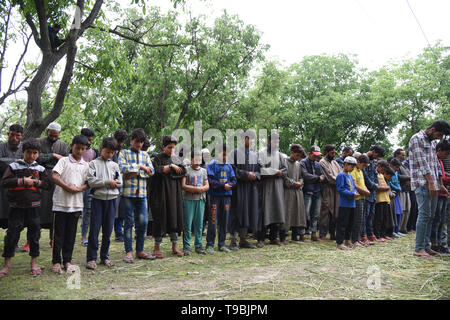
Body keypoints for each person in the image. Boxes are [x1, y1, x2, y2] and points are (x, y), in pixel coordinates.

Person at [0, 138, 50, 278]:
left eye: (35, 153)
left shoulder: (40, 169)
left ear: (38, 154)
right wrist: (22, 181)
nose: (31, 155)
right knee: (12, 235)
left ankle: (34, 263)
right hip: (16, 207)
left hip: (34, 207)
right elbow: (4, 182)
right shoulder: (14, 166)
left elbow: (47, 185)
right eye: (29, 152)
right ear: (23, 152)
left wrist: (35, 182)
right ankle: (6, 265)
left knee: (34, 236)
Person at [409, 120, 450, 258]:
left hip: (433, 185)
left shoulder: (432, 143)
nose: (438, 138)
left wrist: (440, 184)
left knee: (431, 216)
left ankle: (426, 246)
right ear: (432, 129)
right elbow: (422, 163)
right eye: (438, 134)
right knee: (424, 215)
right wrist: (432, 183)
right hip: (422, 184)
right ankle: (418, 248)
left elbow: (436, 164)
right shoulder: (417, 139)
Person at [51, 135, 89, 273]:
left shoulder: (86, 165)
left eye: (82, 149)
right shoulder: (64, 161)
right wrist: (67, 186)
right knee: (59, 233)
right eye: (77, 148)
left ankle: (67, 260)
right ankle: (56, 261)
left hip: (76, 204)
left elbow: (88, 183)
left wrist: (79, 189)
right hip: (61, 203)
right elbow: (55, 176)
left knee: (71, 234)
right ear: (71, 145)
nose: (79, 151)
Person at [118, 129, 155, 263]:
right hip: (128, 194)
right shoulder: (124, 153)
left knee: (143, 222)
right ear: (131, 140)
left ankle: (140, 250)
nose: (139, 144)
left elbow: (151, 171)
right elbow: (122, 169)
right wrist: (140, 167)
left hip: (142, 194)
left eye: (141, 142)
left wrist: (135, 172)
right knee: (128, 223)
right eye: (137, 141)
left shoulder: (146, 155)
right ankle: (128, 251)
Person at [85, 137, 123, 269]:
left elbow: (120, 182)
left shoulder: (115, 165)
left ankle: (105, 256)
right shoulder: (94, 164)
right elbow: (91, 181)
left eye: (112, 153)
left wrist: (113, 184)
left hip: (112, 200)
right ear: (101, 149)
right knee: (94, 229)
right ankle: (91, 258)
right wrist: (107, 182)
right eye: (107, 152)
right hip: (97, 200)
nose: (109, 155)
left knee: (108, 230)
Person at [149, 135, 186, 258]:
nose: (171, 150)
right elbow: (155, 171)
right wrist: (170, 167)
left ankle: (175, 247)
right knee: (160, 219)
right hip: (161, 195)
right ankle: (156, 248)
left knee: (175, 218)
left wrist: (170, 171)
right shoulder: (157, 158)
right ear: (163, 147)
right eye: (169, 147)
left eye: (173, 148)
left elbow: (183, 172)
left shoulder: (176, 159)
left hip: (174, 194)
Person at [36, 122, 69, 247]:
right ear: (47, 131)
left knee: (54, 208)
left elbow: (65, 161)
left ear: (59, 134)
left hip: (57, 177)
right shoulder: (38, 142)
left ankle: (52, 239)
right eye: (51, 135)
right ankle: (31, 239)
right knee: (38, 208)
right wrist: (53, 155)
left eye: (56, 136)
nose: (54, 138)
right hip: (41, 176)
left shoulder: (63, 145)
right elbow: (37, 157)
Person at [228, 131, 260, 249]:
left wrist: (255, 175)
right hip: (239, 188)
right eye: (248, 138)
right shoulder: (234, 153)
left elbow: (258, 170)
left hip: (251, 188)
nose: (251, 141)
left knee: (248, 212)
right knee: (236, 212)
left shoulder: (254, 155)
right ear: (242, 140)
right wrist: (246, 174)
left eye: (252, 139)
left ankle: (243, 239)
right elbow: (231, 169)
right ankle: (233, 240)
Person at [257, 134, 287, 247]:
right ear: (269, 141)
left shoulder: (280, 155)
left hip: (278, 187)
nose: (276, 144)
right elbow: (261, 169)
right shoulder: (262, 153)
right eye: (274, 142)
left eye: (277, 142)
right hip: (266, 186)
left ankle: (273, 238)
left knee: (276, 210)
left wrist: (280, 172)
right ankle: (261, 238)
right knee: (265, 211)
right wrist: (275, 171)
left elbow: (285, 170)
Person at [206, 143, 237, 253]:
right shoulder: (212, 165)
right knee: (213, 220)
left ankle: (222, 244)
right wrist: (222, 186)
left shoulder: (229, 166)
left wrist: (230, 185)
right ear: (218, 153)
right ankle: (210, 244)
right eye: (223, 154)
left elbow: (234, 179)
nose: (225, 157)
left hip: (226, 197)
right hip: (215, 196)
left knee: (224, 221)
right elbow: (211, 180)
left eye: (227, 155)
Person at [182, 148, 209, 255]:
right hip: (188, 200)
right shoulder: (186, 170)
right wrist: (194, 189)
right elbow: (183, 185)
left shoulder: (204, 171)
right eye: (195, 159)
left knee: (199, 224)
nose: (198, 161)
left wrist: (202, 189)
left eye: (199, 159)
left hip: (200, 200)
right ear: (191, 159)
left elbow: (207, 184)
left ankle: (198, 246)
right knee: (187, 224)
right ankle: (186, 246)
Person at [0, 124, 24, 232]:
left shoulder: (25, 149)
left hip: (18, 187)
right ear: (8, 134)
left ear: (21, 136)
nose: (14, 138)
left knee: (15, 216)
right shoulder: (1, 147)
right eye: (12, 135)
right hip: (2, 186)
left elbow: (26, 165)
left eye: (17, 135)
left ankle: (13, 243)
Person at [80, 128, 100, 247]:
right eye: (88, 139)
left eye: (91, 140)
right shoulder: (73, 150)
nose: (89, 142)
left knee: (88, 211)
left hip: (88, 184)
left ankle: (84, 237)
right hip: (76, 184)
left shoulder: (94, 152)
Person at [282, 144, 307, 243]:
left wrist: (300, 183)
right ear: (292, 153)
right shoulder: (284, 162)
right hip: (288, 192)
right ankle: (283, 236)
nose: (298, 158)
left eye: (300, 156)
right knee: (287, 213)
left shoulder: (298, 164)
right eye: (297, 155)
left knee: (297, 213)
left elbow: (301, 177)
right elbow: (283, 177)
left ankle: (294, 236)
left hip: (298, 192)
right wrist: (292, 183)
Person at [300, 146, 325, 241]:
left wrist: (321, 177)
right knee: (305, 213)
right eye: (315, 155)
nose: (316, 157)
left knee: (316, 213)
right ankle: (301, 233)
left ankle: (314, 233)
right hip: (307, 191)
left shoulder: (318, 164)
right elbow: (305, 175)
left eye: (317, 156)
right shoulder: (303, 162)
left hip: (317, 190)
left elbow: (323, 175)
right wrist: (318, 178)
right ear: (309, 153)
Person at [362, 145, 385, 243]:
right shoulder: (363, 159)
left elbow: (375, 175)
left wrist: (376, 184)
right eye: (377, 155)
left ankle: (370, 233)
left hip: (373, 193)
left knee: (371, 215)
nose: (377, 158)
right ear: (373, 151)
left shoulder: (374, 162)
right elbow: (365, 176)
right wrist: (373, 185)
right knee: (365, 214)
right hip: (366, 191)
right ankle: (363, 235)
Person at [430, 140, 450, 254]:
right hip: (439, 193)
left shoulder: (440, 161)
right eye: (446, 153)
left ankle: (439, 243)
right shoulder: (435, 161)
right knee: (436, 219)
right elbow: (440, 179)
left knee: (442, 220)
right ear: (439, 150)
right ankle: (435, 243)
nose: (447, 156)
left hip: (443, 193)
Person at [335, 156, 359, 250]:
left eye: (354, 166)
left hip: (352, 203)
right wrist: (351, 194)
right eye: (351, 165)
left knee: (350, 223)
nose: (352, 168)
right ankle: (339, 242)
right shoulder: (341, 175)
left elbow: (353, 187)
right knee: (342, 223)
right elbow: (340, 189)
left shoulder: (350, 175)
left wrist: (355, 192)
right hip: (344, 203)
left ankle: (347, 240)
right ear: (345, 164)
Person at [319, 144, 341, 241]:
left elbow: (341, 173)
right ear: (327, 152)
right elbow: (329, 177)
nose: (333, 154)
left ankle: (332, 233)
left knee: (336, 212)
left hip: (337, 190)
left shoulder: (335, 163)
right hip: (327, 189)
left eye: (334, 153)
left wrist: (341, 181)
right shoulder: (322, 162)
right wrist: (341, 181)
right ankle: (323, 234)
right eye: (332, 153)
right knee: (326, 211)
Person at [350, 154, 371, 247]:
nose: (364, 167)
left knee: (361, 220)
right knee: (356, 220)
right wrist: (365, 192)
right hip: (356, 198)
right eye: (364, 165)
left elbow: (362, 184)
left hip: (362, 198)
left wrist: (366, 190)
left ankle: (358, 239)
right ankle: (354, 240)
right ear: (358, 162)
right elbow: (355, 185)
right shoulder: (353, 170)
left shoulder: (361, 171)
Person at [112, 129, 128, 242]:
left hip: (122, 184)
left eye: (122, 142)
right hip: (111, 184)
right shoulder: (109, 150)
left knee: (121, 209)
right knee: (113, 210)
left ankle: (119, 232)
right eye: (119, 141)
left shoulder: (123, 153)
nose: (120, 144)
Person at [373, 163, 395, 242]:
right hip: (379, 200)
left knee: (385, 219)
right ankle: (377, 235)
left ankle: (383, 234)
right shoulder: (376, 175)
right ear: (379, 166)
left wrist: (386, 188)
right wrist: (385, 188)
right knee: (379, 218)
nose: (383, 171)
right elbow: (377, 187)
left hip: (386, 200)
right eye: (382, 169)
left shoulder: (381, 176)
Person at [394, 148, 412, 234]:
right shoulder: (397, 165)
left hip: (407, 190)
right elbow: (398, 176)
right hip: (401, 189)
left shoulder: (403, 165)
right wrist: (409, 178)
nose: (403, 156)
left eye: (404, 155)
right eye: (402, 155)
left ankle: (403, 228)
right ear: (397, 155)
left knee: (408, 209)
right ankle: (399, 228)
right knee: (402, 209)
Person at [389, 158, 404, 238]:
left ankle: (397, 230)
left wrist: (399, 187)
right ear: (391, 166)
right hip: (392, 194)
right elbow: (390, 183)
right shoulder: (389, 172)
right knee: (394, 213)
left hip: (397, 194)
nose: (397, 169)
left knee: (399, 212)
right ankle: (393, 231)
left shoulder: (396, 173)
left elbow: (397, 182)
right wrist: (397, 188)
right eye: (396, 167)